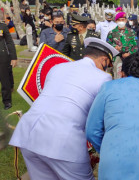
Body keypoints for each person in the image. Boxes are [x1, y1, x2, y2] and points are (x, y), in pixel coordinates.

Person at [9, 38, 119, 180]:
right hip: (62, 141)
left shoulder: (58, 67)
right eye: (108, 65)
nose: (107, 69)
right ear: (104, 60)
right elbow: (99, 117)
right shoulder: (103, 78)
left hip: (27, 134)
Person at [86, 52, 139, 179]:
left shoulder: (108, 88)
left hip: (115, 158)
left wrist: (107, 148)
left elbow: (92, 130)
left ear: (121, 73)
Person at [0, 22, 17, 110]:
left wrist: (13, 57)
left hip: (2, 58)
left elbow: (9, 42)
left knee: (5, 81)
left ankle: (7, 101)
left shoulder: (2, 26)